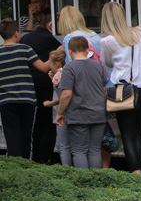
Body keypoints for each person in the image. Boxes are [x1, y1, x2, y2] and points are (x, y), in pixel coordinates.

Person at [100, 1, 141, 174]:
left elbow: (108, 62)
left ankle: (136, 174)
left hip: (124, 90)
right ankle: (139, 173)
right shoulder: (140, 32)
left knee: (128, 134)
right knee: (137, 132)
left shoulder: (108, 40)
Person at [0, 18, 50, 159]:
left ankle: (15, 167)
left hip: (6, 101)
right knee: (27, 136)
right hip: (27, 100)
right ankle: (27, 165)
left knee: (12, 136)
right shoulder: (25, 49)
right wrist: (54, 54)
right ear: (16, 33)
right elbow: (44, 68)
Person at [55, 36, 107, 170]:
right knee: (95, 149)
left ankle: (83, 183)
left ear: (69, 51)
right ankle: (95, 181)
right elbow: (103, 90)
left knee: (79, 151)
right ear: (88, 50)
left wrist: (60, 113)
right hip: (98, 114)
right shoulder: (97, 66)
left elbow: (66, 94)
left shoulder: (69, 68)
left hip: (78, 115)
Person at [20, 11, 62, 163]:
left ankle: (35, 158)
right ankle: (45, 159)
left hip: (29, 85)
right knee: (48, 125)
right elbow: (64, 51)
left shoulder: (26, 37)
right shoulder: (50, 39)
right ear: (50, 25)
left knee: (36, 124)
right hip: (45, 85)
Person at [44, 48, 71, 166]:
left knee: (63, 146)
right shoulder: (68, 72)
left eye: (50, 63)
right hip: (72, 114)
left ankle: (66, 171)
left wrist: (49, 103)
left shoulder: (60, 75)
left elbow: (62, 96)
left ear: (56, 63)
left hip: (63, 115)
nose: (49, 66)